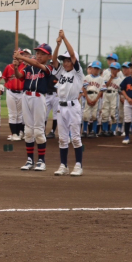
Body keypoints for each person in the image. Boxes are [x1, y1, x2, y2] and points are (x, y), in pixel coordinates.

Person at [14, 43, 53, 171]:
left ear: (49, 56)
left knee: (38, 130)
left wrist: (21, 57)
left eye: (42, 54)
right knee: (28, 130)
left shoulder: (48, 68)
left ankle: (41, 161)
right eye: (37, 53)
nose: (39, 56)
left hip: (39, 97)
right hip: (26, 96)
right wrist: (16, 67)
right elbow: (20, 77)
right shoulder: (28, 68)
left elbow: (37, 65)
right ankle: (30, 160)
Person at [52, 30, 85, 177]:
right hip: (61, 107)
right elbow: (53, 61)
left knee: (76, 138)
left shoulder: (78, 73)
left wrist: (65, 38)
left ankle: (78, 165)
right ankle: (63, 165)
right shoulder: (62, 73)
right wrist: (57, 45)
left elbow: (72, 55)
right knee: (63, 138)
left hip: (73, 107)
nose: (66, 62)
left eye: (68, 60)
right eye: (64, 60)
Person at [2, 49, 28, 141]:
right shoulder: (9, 67)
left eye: (20, 54)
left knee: (20, 114)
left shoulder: (25, 67)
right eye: (16, 54)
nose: (18, 56)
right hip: (11, 92)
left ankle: (19, 133)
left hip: (21, 92)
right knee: (13, 114)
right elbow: (5, 79)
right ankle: (14, 134)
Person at [82, 61, 104, 138]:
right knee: (85, 114)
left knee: (95, 115)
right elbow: (83, 88)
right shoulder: (87, 77)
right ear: (92, 68)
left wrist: (96, 100)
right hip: (88, 95)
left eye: (98, 69)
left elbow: (101, 90)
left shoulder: (101, 79)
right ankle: (84, 131)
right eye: (95, 68)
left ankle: (93, 131)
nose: (96, 70)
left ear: (99, 70)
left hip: (96, 96)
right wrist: (87, 98)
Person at [100, 62, 122, 136]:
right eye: (112, 68)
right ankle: (105, 130)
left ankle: (112, 131)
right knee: (104, 112)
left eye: (115, 69)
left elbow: (120, 91)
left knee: (113, 113)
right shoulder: (106, 76)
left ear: (118, 70)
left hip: (114, 95)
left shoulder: (120, 80)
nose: (113, 70)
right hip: (106, 94)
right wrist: (111, 78)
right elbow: (105, 86)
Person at [118, 62, 131, 136]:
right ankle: (121, 129)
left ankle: (130, 129)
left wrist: (127, 98)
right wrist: (121, 97)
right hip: (122, 97)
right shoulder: (121, 78)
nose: (124, 70)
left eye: (126, 68)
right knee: (121, 114)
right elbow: (120, 90)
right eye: (124, 68)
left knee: (130, 115)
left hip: (130, 98)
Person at [45, 70, 59, 139]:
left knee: (55, 114)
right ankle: (42, 132)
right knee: (44, 113)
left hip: (55, 95)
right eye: (51, 63)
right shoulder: (47, 74)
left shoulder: (59, 75)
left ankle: (53, 131)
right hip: (47, 95)